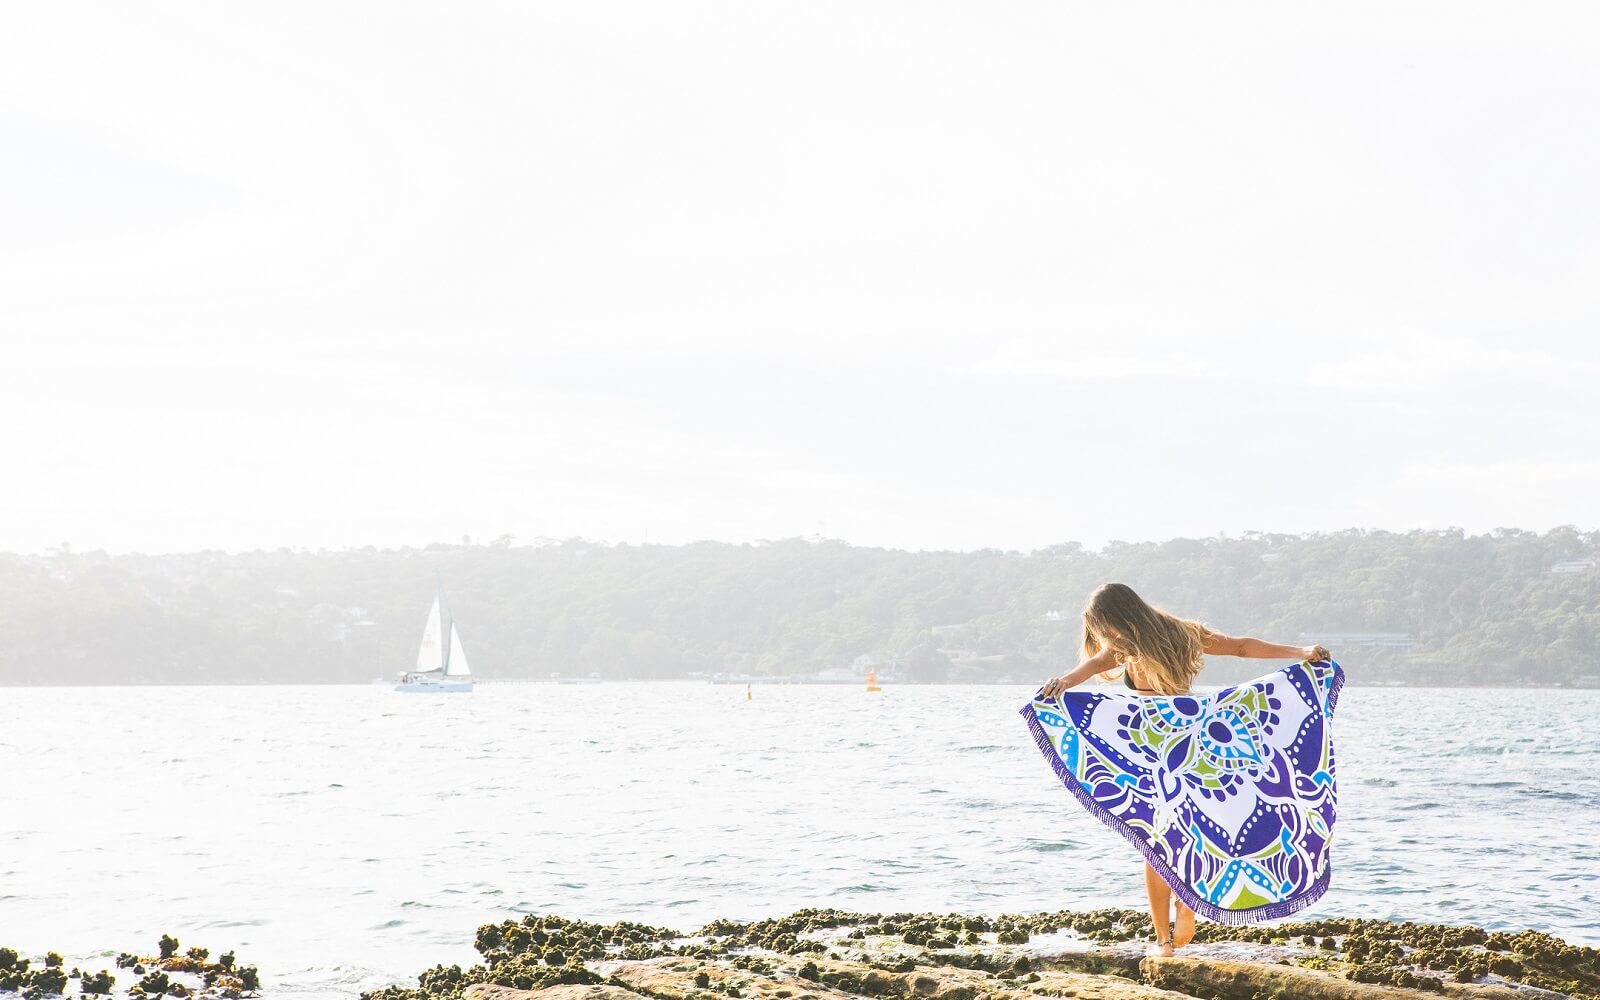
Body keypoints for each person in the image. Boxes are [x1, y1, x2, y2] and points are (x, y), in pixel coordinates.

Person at [1037, 582, 1331, 957]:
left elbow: (1093, 665)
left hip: (1156, 747)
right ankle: (1185, 906)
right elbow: (1242, 646)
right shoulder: (1183, 632)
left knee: (1156, 842)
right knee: (1189, 832)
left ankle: (1164, 938)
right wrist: (1301, 652)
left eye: (1104, 625)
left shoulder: (1126, 644)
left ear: (1115, 618)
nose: (1105, 634)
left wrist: (1062, 683)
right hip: (1196, 742)